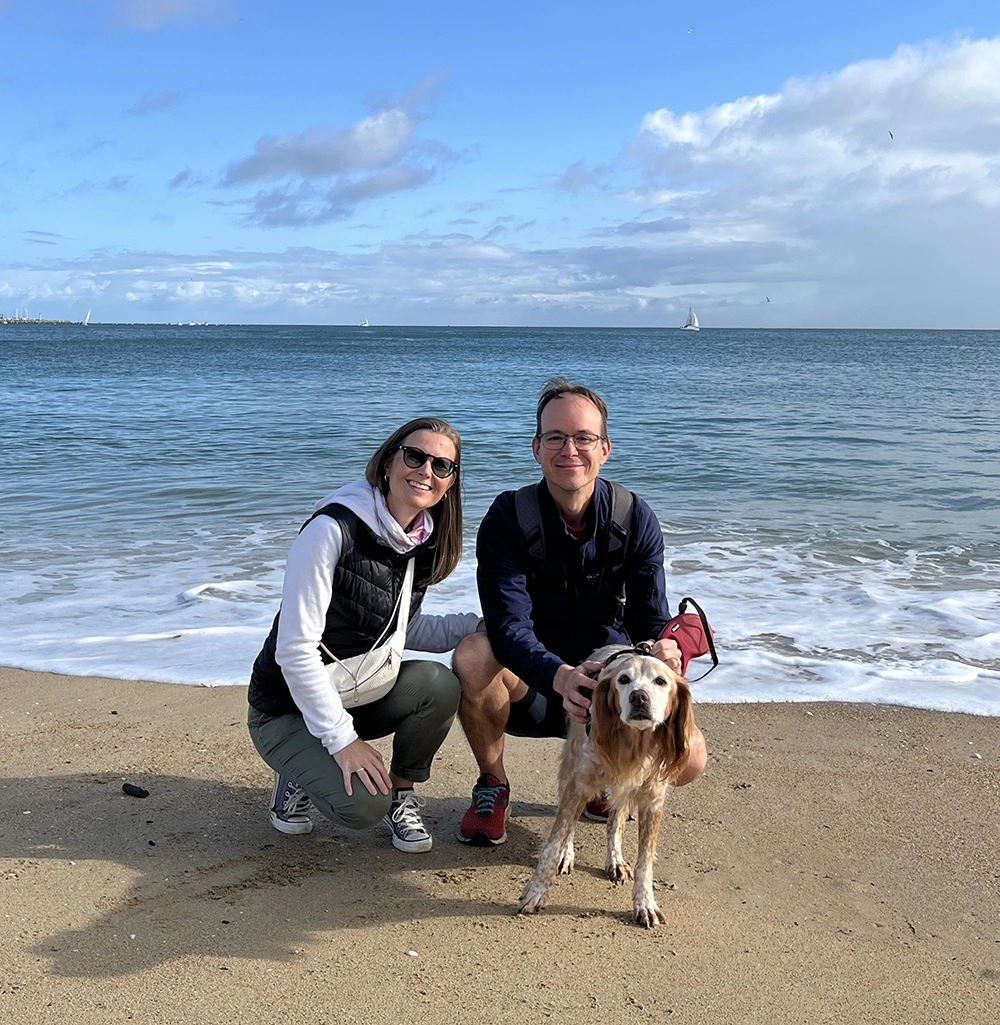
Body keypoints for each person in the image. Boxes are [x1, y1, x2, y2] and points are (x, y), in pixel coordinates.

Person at [453, 379, 707, 845]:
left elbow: (651, 620)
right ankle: (493, 784)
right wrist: (560, 676)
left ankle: (604, 777)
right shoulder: (508, 517)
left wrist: (669, 646)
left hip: (608, 693)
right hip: (532, 685)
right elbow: (508, 628)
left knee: (691, 758)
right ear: (536, 448)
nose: (569, 450)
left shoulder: (633, 516)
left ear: (604, 449)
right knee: (473, 655)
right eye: (555, 437)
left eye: (584, 438)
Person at [248, 418, 480, 853]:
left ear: (450, 482)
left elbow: (399, 628)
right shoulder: (331, 529)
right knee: (364, 807)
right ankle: (296, 772)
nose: (426, 471)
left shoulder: (417, 540)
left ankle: (402, 793)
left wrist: (480, 627)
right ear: (389, 462)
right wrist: (343, 741)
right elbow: (294, 651)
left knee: (439, 684)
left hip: (353, 694)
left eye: (442, 465)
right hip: (284, 708)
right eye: (415, 456)